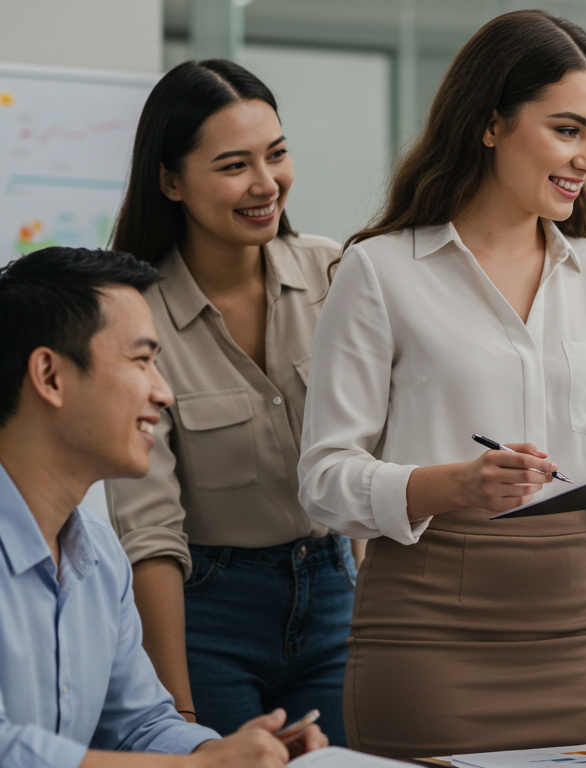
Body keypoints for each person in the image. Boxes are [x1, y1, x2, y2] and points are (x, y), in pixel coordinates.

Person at [297, 10, 586, 758]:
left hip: (573, 627)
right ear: (491, 123)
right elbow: (324, 481)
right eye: (567, 130)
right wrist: (455, 484)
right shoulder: (380, 271)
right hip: (427, 631)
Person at [0, 246, 326, 768]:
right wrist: (200, 767)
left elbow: (138, 724)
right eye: (142, 361)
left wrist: (232, 752)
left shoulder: (100, 556)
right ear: (50, 376)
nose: (165, 392)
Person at [105, 59, 352, 742]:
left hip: (337, 593)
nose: (265, 183)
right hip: (206, 612)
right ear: (170, 180)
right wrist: (177, 719)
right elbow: (150, 531)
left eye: (275, 154)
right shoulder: (135, 319)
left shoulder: (336, 276)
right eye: (233, 165)